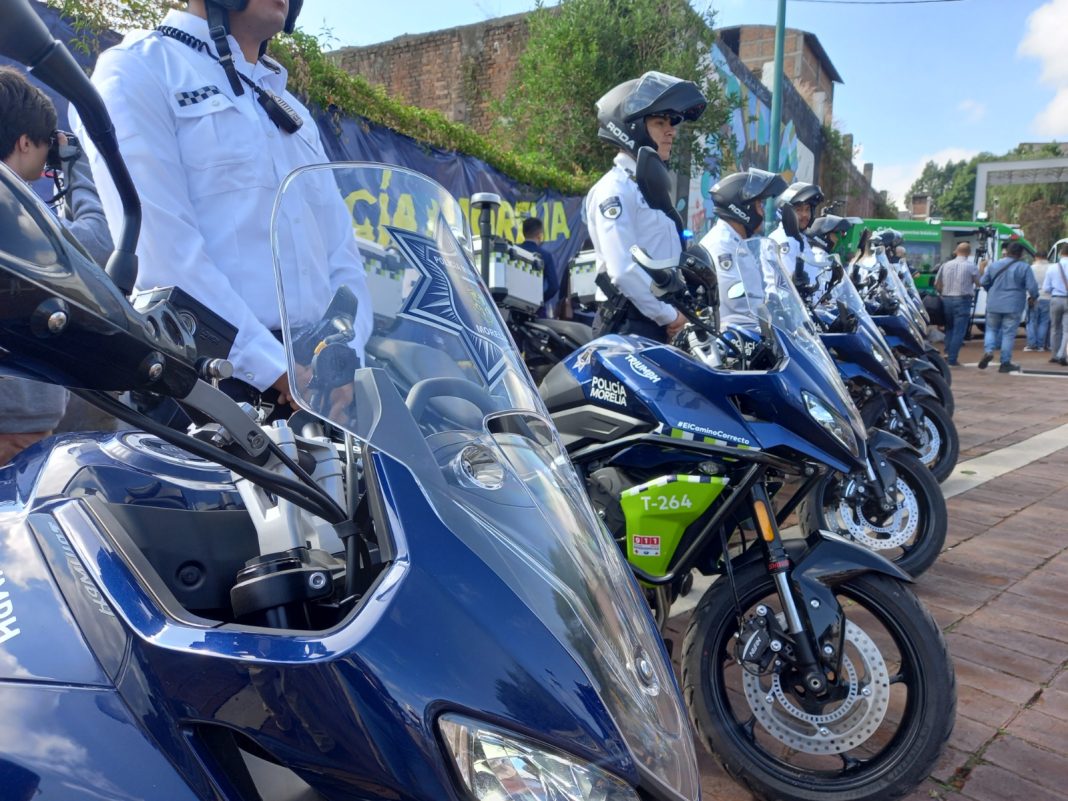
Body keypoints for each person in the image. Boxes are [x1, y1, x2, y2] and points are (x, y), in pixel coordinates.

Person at [76, 0, 372, 416]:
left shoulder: (295, 113)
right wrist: (276, 368)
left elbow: (342, 256)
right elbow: (164, 256)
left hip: (318, 392)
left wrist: (342, 363)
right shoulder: (138, 70)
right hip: (208, 384)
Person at [0, 66, 119, 462]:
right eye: (44, 144)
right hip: (14, 429)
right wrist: (75, 164)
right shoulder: (12, 215)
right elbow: (97, 244)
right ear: (24, 142)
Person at [586, 70, 706, 342]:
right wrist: (670, 316)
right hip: (629, 323)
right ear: (634, 128)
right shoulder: (615, 189)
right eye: (660, 123)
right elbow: (623, 270)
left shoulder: (646, 187)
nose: (671, 131)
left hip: (657, 319)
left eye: (671, 123)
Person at [699, 167, 789, 328]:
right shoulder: (722, 244)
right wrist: (769, 311)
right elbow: (737, 302)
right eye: (759, 204)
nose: (762, 211)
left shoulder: (737, 242)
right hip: (732, 334)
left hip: (749, 330)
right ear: (743, 209)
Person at [977, 241, 1038, 373]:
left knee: (991, 330)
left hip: (994, 302)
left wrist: (991, 291)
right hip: (1014, 304)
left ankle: (988, 351)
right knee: (1008, 333)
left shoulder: (994, 265)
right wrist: (1034, 297)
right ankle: (1005, 362)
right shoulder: (1024, 267)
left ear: (1007, 251)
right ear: (1021, 254)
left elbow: (983, 282)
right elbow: (1032, 287)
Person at [770, 181, 823, 293]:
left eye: (807, 209)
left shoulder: (799, 238)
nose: (805, 215)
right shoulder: (784, 241)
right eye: (799, 210)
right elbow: (789, 288)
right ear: (786, 212)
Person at [934, 242, 981, 366]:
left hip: (947, 299)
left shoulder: (945, 265)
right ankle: (952, 358)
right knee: (959, 330)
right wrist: (981, 269)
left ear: (956, 251)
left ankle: (947, 352)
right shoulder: (971, 266)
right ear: (969, 253)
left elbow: (937, 283)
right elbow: (979, 283)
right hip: (963, 299)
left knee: (949, 327)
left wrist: (942, 293)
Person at [518, 217, 560, 318]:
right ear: (539, 235)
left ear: (523, 233)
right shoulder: (545, 255)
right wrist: (540, 299)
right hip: (536, 309)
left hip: (515, 306)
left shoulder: (513, 251)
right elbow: (554, 286)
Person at [1043, 243, 1068, 366]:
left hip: (1056, 299)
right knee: (1066, 329)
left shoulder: (1052, 267)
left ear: (1060, 253)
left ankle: (1054, 354)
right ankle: (1062, 354)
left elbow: (1046, 288)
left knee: (1055, 328)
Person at [1024, 252, 1052, 352]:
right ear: (1046, 257)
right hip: (1048, 297)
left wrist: (1029, 296)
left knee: (1031, 321)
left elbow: (1028, 284)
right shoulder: (1051, 268)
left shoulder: (1031, 268)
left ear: (1036, 257)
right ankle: (1041, 345)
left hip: (1033, 297)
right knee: (1044, 322)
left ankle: (1032, 344)